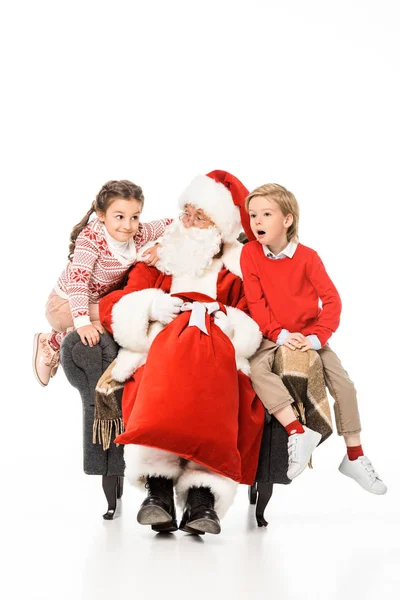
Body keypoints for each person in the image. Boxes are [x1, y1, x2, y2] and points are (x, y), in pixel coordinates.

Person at [97, 170, 265, 535]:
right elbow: (120, 302)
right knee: (159, 377)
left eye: (198, 217)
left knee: (220, 387)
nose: (186, 222)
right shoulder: (159, 259)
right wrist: (151, 307)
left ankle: (202, 497)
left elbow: (255, 319)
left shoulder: (235, 272)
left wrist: (226, 323)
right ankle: (157, 491)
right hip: (159, 348)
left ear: (218, 227)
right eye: (185, 213)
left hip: (217, 351)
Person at [240, 183, 387, 494]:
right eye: (253, 215)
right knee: (255, 371)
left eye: (266, 214)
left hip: (310, 335)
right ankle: (297, 430)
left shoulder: (308, 257)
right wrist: (279, 334)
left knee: (345, 386)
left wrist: (316, 339)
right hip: (271, 335)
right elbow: (256, 303)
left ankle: (355, 456)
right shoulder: (250, 253)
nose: (257, 222)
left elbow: (332, 301)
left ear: (288, 220)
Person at [33, 179, 172, 387]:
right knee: (122, 313)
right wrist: (82, 323)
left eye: (134, 217)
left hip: (96, 304)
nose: (127, 225)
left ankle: (61, 337)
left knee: (123, 314)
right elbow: (78, 284)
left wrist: (161, 245)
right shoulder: (91, 239)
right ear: (101, 215)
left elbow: (174, 223)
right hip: (65, 305)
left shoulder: (138, 232)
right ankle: (51, 342)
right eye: (119, 217)